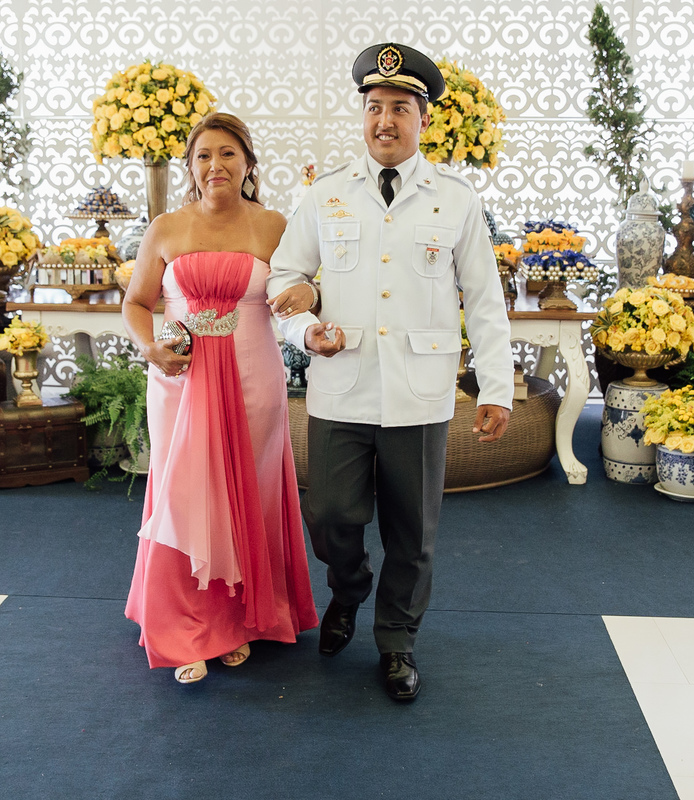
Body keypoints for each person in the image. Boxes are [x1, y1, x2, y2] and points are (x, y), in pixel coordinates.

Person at [267, 43, 514, 702]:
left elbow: (484, 299)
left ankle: (397, 642)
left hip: (419, 393)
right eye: (374, 107)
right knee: (331, 516)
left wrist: (496, 388)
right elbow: (284, 279)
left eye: (399, 108)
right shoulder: (325, 197)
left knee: (413, 532)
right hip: (341, 385)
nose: (384, 120)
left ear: (423, 120)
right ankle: (349, 589)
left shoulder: (455, 201)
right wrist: (302, 329)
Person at [122, 112, 319, 684]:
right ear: (190, 166)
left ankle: (238, 619)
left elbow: (305, 289)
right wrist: (151, 348)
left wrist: (310, 293)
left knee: (249, 488)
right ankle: (185, 626)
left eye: (228, 153)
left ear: (248, 163)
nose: (216, 165)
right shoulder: (165, 228)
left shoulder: (275, 226)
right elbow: (138, 302)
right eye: (204, 155)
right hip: (181, 381)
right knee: (187, 491)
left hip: (255, 377)